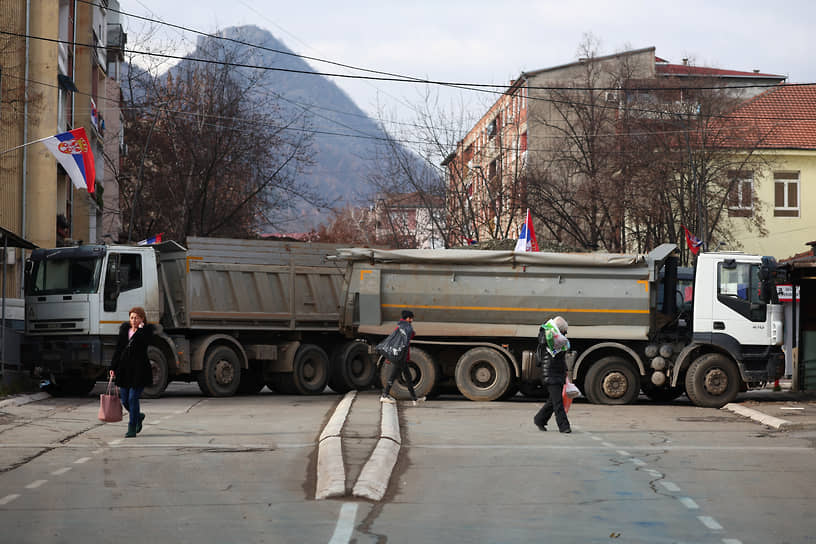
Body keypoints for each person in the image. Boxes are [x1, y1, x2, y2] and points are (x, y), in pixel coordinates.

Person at [109, 307, 154, 438]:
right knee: (125, 400)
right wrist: (113, 367)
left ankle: (132, 427)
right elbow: (118, 350)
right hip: (124, 370)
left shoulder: (145, 332)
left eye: (136, 318)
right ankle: (138, 416)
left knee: (132, 398)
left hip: (139, 371)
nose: (133, 320)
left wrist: (140, 329)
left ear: (142, 319)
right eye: (132, 317)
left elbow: (144, 343)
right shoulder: (124, 332)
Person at [533, 316, 572, 433]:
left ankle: (539, 419)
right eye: (564, 331)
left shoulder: (559, 339)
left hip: (558, 372)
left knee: (553, 401)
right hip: (550, 373)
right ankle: (564, 426)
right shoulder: (547, 337)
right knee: (558, 403)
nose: (565, 334)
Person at [380, 310, 425, 406]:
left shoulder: (400, 326)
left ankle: (414, 399)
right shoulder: (405, 327)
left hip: (401, 356)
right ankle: (385, 395)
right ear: (408, 318)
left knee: (408, 377)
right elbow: (409, 336)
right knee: (394, 375)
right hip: (400, 356)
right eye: (411, 318)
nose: (412, 320)